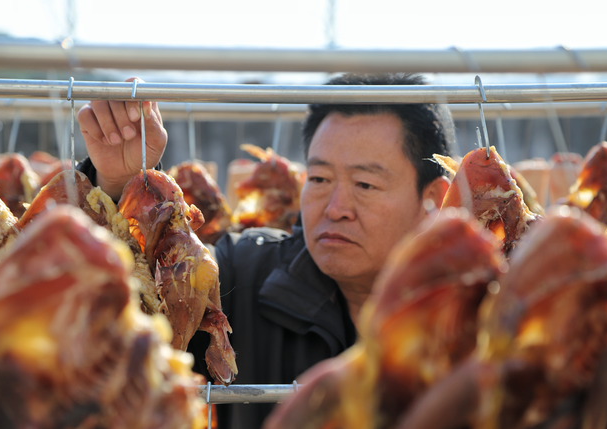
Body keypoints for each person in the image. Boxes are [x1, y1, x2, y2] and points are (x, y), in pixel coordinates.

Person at [77, 73, 453, 429]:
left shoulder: (475, 314)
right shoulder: (242, 271)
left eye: (365, 184)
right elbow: (120, 333)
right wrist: (120, 184)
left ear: (432, 199)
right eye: (320, 179)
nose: (336, 206)